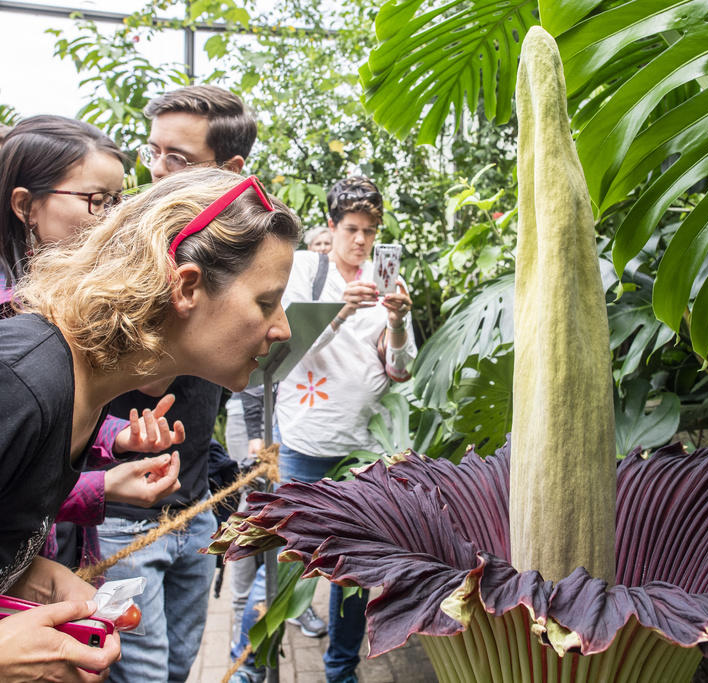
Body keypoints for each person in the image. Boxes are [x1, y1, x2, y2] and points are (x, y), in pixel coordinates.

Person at [0, 166, 300, 680]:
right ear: (186, 287)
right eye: (265, 302)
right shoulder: (23, 381)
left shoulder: (84, 397)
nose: (283, 328)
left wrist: (30, 576)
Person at [90, 85, 267, 683]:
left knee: (176, 670)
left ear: (233, 171)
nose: (157, 171)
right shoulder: (123, 246)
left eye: (180, 159)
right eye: (154, 152)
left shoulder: (240, 255)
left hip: (194, 511)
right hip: (122, 516)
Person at [230, 175, 416, 683]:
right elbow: (274, 355)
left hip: (363, 455)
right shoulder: (304, 274)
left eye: (370, 232)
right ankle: (248, 667)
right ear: (332, 227)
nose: (361, 241)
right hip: (304, 448)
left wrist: (396, 319)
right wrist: (340, 312)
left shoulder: (388, 284)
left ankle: (340, 671)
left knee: (352, 578)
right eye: (352, 229)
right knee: (285, 569)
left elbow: (400, 370)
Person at [0, 115, 186, 572]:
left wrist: (112, 437)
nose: (112, 220)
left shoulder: (55, 297)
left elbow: (43, 422)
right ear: (25, 205)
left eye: (118, 201)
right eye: (96, 201)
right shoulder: (15, 331)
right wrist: (101, 487)